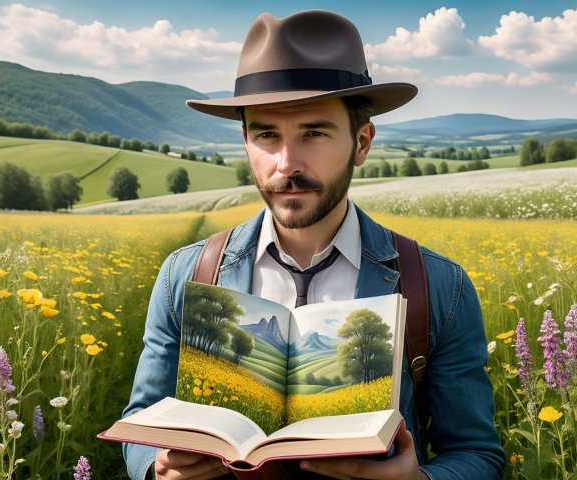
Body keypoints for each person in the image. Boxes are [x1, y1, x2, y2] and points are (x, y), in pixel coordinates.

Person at [122, 9, 506, 480]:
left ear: (361, 143)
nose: (287, 163)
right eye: (267, 134)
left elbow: (477, 455)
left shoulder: (439, 286)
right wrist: (157, 470)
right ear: (245, 142)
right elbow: (140, 428)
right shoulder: (185, 275)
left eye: (314, 133)